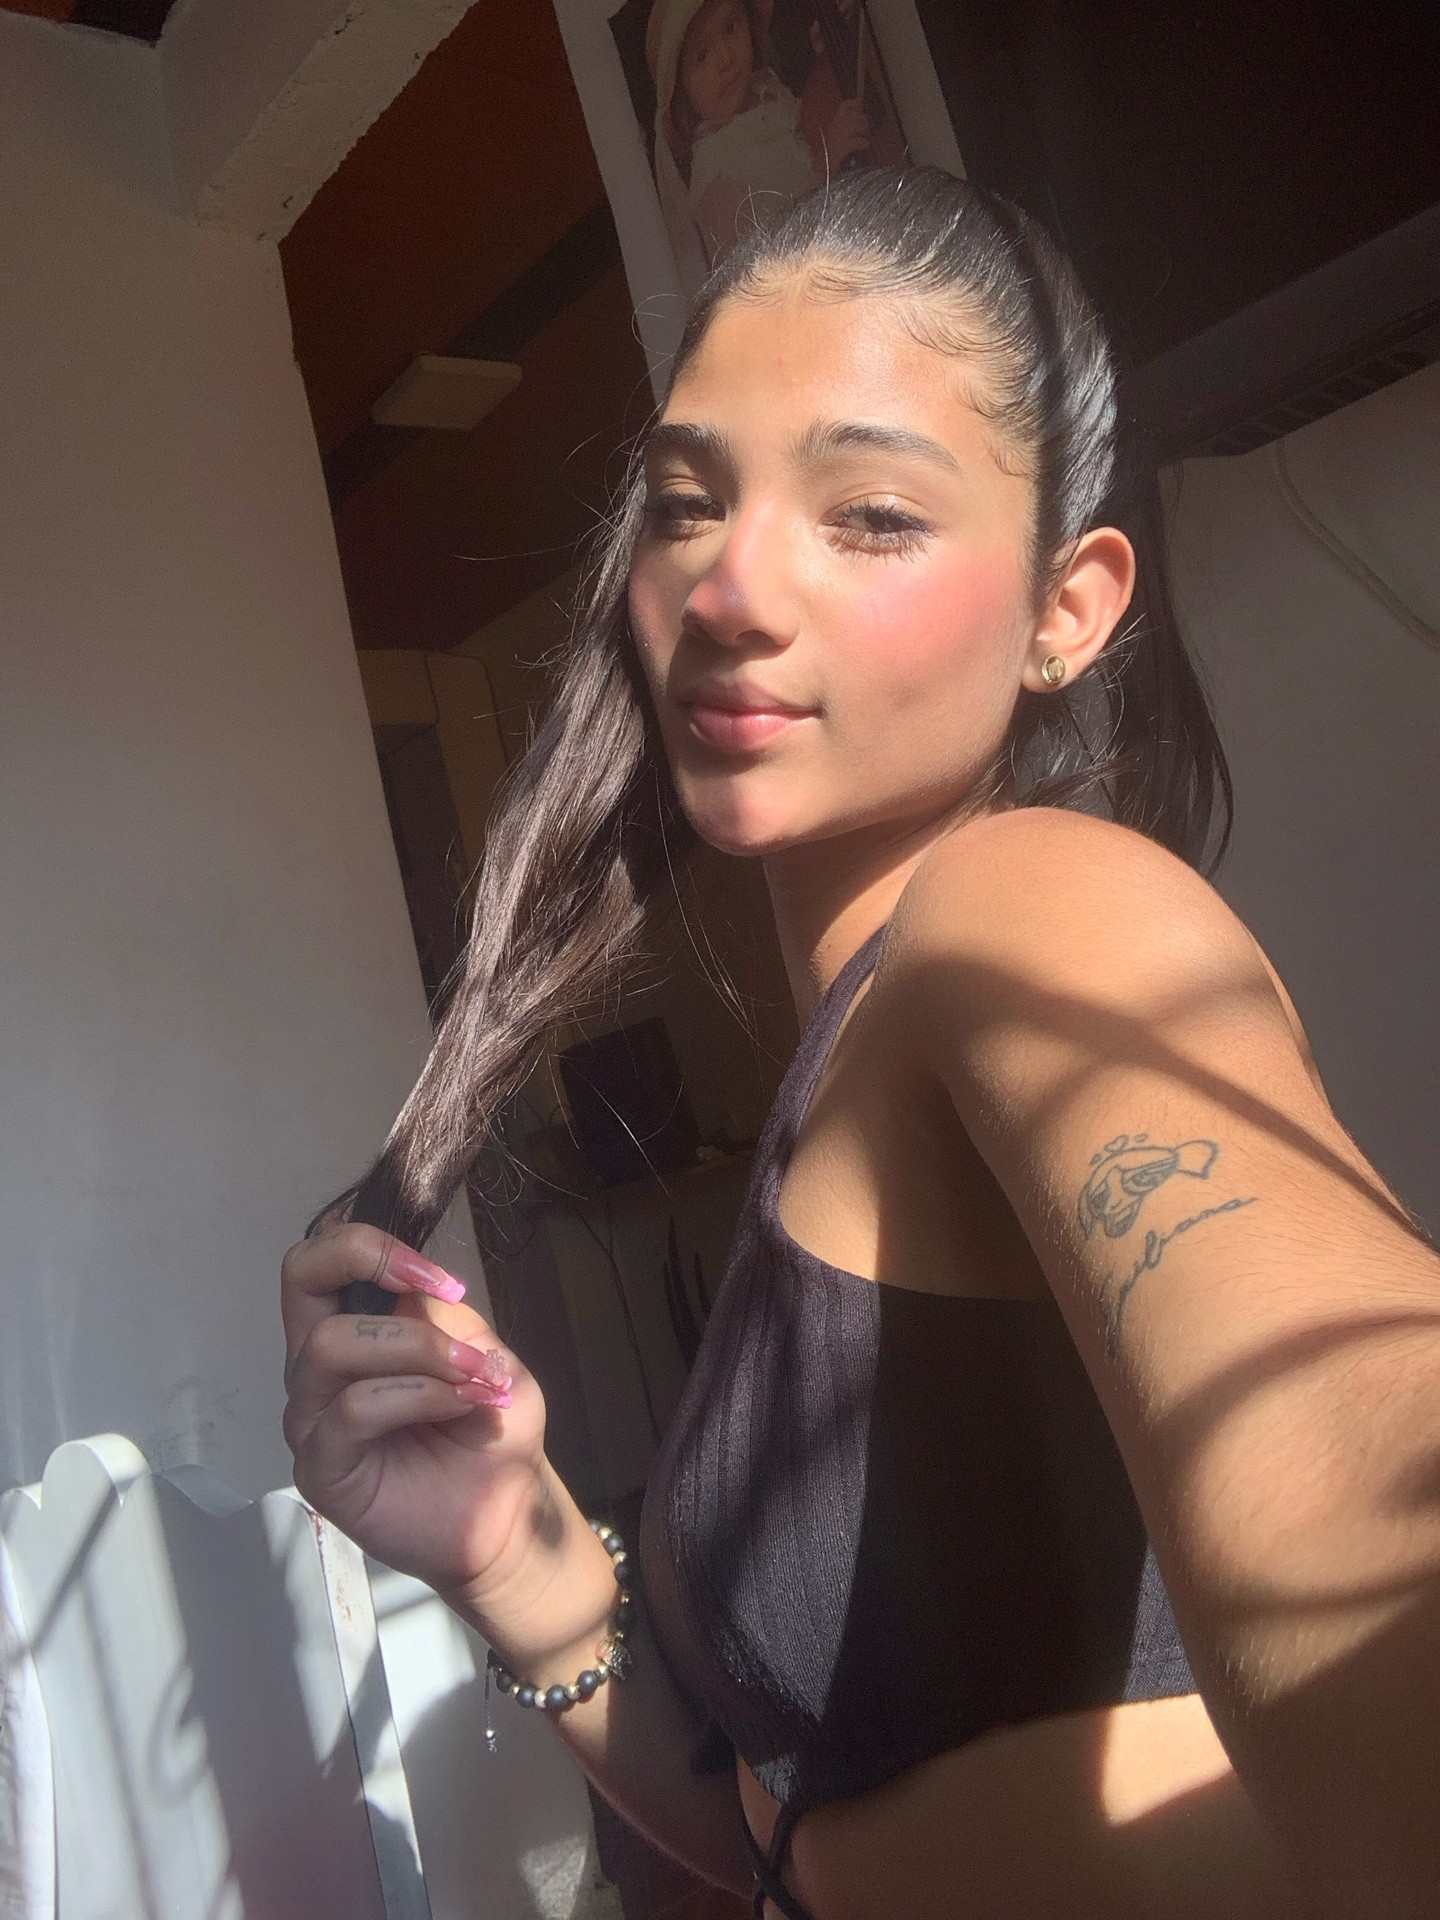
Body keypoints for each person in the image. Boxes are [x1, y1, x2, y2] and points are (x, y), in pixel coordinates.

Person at [281, 169, 1440, 1918]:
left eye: (872, 515)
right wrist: (511, 1553)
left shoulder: (1033, 908)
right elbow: (784, 1827)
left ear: (1068, 609)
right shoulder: (853, 1056)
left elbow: (1351, 1463)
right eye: (688, 504)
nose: (729, 584)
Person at [646, 0, 871, 290]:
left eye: (731, 28)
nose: (726, 58)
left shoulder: (764, 92)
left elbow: (803, 130)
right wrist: (825, 165)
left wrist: (824, 57)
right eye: (701, 57)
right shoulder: (714, 174)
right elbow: (773, 258)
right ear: (681, 93)